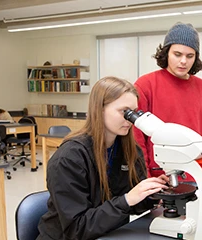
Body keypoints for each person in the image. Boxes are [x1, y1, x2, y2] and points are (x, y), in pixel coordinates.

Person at [37, 76, 169, 240]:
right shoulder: (69, 158)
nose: (130, 119)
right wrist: (127, 199)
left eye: (134, 112)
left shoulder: (129, 150)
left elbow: (131, 205)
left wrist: (154, 193)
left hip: (109, 234)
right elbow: (76, 228)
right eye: (124, 112)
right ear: (99, 109)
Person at [133, 22, 202, 182]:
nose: (183, 61)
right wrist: (145, 178)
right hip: (161, 178)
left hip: (200, 175)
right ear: (166, 53)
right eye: (177, 54)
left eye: (190, 56)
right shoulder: (146, 85)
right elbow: (137, 139)